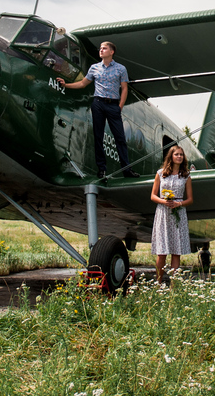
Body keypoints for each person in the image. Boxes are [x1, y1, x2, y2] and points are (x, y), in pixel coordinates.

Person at [57, 41, 139, 178]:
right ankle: (101, 169)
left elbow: (124, 89)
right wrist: (66, 85)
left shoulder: (121, 69)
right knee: (98, 137)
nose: (101, 50)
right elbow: (83, 83)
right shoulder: (94, 68)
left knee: (120, 138)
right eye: (100, 48)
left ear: (111, 52)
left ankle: (126, 170)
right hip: (98, 104)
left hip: (113, 106)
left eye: (104, 48)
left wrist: (120, 107)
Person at [149, 145, 193, 283]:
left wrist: (179, 204)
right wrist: (163, 201)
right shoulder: (161, 173)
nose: (179, 157)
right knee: (161, 251)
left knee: (176, 250)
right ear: (171, 157)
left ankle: (174, 286)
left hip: (178, 212)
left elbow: (190, 199)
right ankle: (159, 283)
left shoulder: (186, 176)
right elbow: (152, 196)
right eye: (177, 154)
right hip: (163, 213)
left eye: (181, 154)